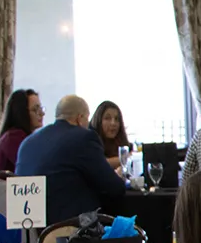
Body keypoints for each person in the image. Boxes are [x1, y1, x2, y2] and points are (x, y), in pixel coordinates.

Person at [16, 94, 126, 226]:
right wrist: (118, 176)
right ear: (80, 119)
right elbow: (115, 188)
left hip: (31, 233)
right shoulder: (83, 137)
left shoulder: (27, 142)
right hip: (68, 232)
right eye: (87, 118)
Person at [0, 89, 43, 243]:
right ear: (22, 113)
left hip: (10, 208)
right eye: (35, 109)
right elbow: (33, 172)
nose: (41, 113)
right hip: (1, 216)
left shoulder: (19, 136)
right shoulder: (15, 138)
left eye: (41, 108)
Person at [90, 100, 131, 171]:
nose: (113, 123)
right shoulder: (90, 141)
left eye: (117, 119)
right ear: (98, 121)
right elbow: (97, 163)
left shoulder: (124, 145)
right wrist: (125, 159)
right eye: (107, 118)